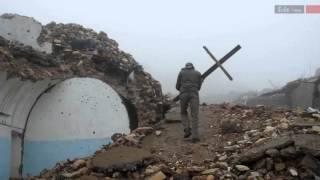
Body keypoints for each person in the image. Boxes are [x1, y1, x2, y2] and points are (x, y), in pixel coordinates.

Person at [176, 62, 202, 142]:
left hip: (183, 94)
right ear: (192, 67)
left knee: (183, 112)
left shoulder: (181, 73)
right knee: (194, 115)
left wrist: (182, 90)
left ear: (186, 67)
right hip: (194, 94)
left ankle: (187, 129)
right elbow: (199, 86)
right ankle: (195, 136)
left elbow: (177, 86)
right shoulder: (198, 73)